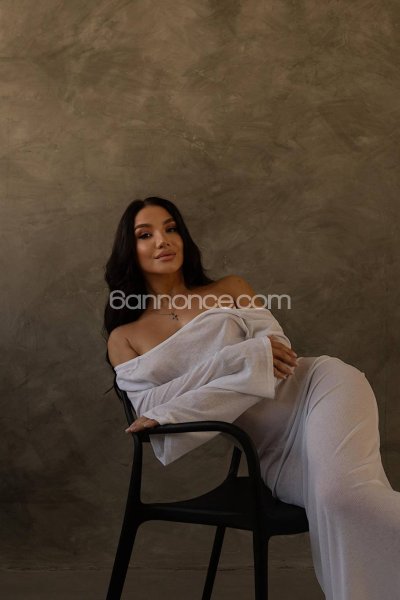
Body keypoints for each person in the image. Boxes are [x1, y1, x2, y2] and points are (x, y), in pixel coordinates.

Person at [103, 196, 400, 600]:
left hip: (318, 390)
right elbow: (153, 412)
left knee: (343, 496)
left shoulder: (230, 288)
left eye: (171, 228)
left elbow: (279, 358)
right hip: (270, 452)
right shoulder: (125, 337)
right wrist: (239, 358)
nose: (162, 240)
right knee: (339, 504)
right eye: (145, 234)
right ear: (129, 249)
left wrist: (189, 396)